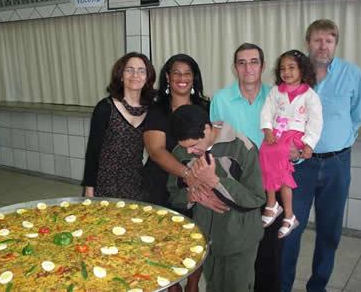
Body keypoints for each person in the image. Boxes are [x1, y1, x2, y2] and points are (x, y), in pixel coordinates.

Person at [281, 19, 361, 292]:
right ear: (308, 42)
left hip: (337, 164)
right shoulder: (293, 73)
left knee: (330, 231)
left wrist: (341, 143)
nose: (323, 46)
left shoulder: (352, 75)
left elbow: (356, 116)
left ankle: (318, 287)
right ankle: (282, 286)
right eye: (317, 40)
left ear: (335, 44)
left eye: (329, 40)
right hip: (299, 166)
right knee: (290, 229)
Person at [167, 104, 266, 292]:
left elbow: (256, 198)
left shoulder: (242, 148)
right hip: (205, 238)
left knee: (237, 287)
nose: (188, 152)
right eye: (184, 147)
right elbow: (174, 195)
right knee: (213, 286)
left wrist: (214, 181)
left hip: (239, 240)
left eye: (193, 145)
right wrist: (191, 195)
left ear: (207, 129)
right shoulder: (181, 152)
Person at [210, 43, 281, 292]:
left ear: (262, 66)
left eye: (253, 62)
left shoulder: (277, 97)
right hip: (236, 187)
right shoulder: (221, 99)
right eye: (242, 62)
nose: (248, 67)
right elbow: (215, 147)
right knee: (238, 253)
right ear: (235, 67)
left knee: (269, 254)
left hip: (272, 185)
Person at [143, 54, 210, 292]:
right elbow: (156, 150)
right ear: (168, 78)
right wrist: (186, 172)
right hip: (160, 185)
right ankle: (173, 286)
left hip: (199, 184)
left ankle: (193, 283)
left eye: (188, 73)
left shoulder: (206, 107)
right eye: (176, 73)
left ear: (194, 77)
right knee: (165, 239)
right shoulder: (158, 109)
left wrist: (198, 177)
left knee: (197, 239)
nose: (182, 78)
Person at [259, 50, 323, 238]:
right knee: (264, 152)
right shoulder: (275, 92)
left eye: (291, 67)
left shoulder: (310, 96)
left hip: (295, 135)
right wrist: (268, 129)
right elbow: (266, 112)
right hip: (277, 133)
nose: (286, 72)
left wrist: (309, 144)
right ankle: (279, 207)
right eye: (282, 69)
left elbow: (316, 121)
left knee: (279, 156)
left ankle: (280, 209)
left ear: (302, 70)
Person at [82, 52, 155, 199]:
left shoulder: (152, 110)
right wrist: (89, 188)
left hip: (136, 184)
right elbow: (92, 151)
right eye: (129, 69)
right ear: (121, 76)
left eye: (141, 70)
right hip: (104, 184)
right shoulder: (105, 108)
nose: (135, 74)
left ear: (147, 77)